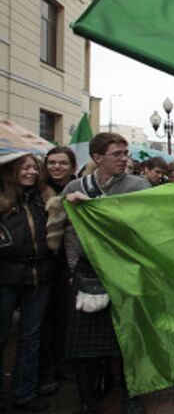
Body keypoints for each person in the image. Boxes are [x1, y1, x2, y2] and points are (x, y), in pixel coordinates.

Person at [56, 133, 152, 414]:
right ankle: (86, 401)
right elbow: (69, 233)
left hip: (126, 270)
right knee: (85, 344)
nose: (125, 159)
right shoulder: (76, 187)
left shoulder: (139, 186)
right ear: (97, 158)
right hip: (89, 273)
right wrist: (74, 268)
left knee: (129, 342)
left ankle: (132, 395)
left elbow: (149, 227)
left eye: (126, 153)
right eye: (118, 154)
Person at [0, 154, 56, 412]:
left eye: (35, 167)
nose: (32, 172)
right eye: (25, 167)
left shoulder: (43, 198)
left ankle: (25, 394)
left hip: (39, 277)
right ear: (11, 170)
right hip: (5, 278)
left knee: (30, 338)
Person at [38, 147, 78, 396]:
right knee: (43, 322)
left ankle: (64, 364)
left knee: (65, 318)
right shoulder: (36, 191)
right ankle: (45, 372)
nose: (56, 167)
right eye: (51, 162)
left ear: (72, 166)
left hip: (69, 264)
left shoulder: (79, 189)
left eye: (62, 163)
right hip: (42, 263)